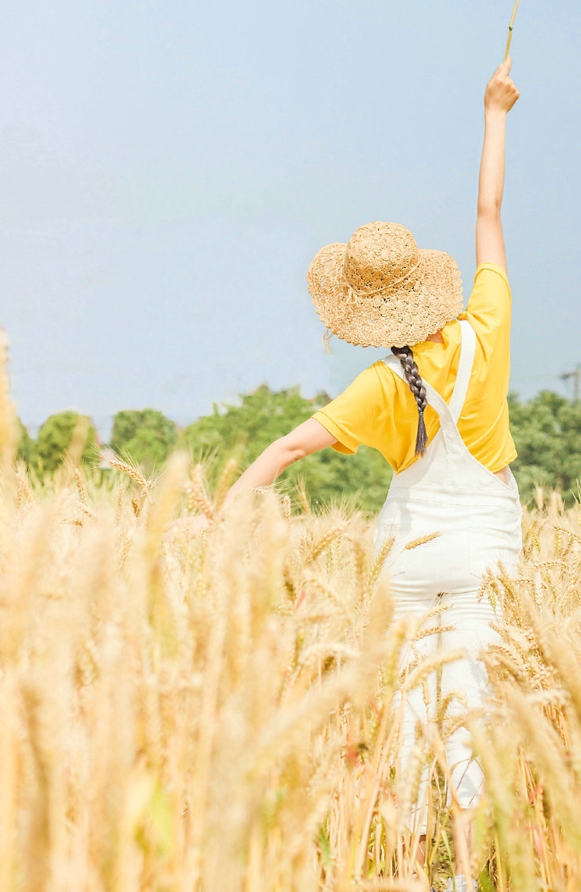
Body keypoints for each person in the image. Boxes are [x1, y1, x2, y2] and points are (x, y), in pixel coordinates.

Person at [223, 58, 522, 888]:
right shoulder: (485, 328)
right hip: (485, 548)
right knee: (469, 712)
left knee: (403, 712)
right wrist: (494, 111)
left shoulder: (378, 385)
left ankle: (395, 867)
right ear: (431, 286)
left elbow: (283, 451)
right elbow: (488, 211)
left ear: (362, 312)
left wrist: (221, 519)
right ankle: (462, 878)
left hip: (402, 553)